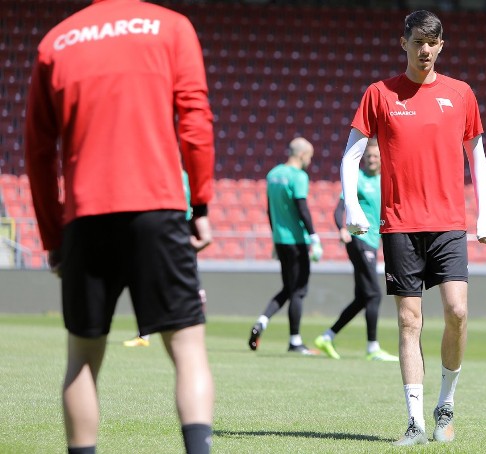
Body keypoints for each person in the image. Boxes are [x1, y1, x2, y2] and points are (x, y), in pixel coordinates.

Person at [24, 0, 216, 452]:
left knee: (82, 359)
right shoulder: (172, 27)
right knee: (188, 351)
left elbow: (36, 151)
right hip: (158, 208)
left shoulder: (56, 41)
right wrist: (202, 203)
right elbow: (195, 121)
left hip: (85, 218)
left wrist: (54, 238)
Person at [340, 10, 486, 446]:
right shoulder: (379, 93)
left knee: (458, 313)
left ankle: (445, 403)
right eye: (418, 42)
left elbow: (477, 157)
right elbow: (351, 155)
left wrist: (484, 214)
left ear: (442, 46)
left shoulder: (461, 93)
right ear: (403, 43)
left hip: (448, 223)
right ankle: (415, 421)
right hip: (399, 224)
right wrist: (353, 206)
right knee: (410, 322)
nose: (425, 50)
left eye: (433, 43)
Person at [313, 139, 398, 362]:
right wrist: (341, 228)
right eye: (368, 157)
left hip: (372, 241)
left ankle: (327, 336)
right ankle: (372, 348)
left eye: (375, 156)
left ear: (381, 159)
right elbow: (340, 208)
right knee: (375, 294)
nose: (371, 160)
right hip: (358, 240)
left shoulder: (385, 180)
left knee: (362, 297)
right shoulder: (357, 179)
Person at [248, 137, 323, 355]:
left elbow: (269, 210)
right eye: (309, 156)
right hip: (297, 241)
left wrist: (274, 238)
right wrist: (314, 237)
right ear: (302, 155)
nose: (310, 161)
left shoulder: (273, 175)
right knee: (299, 292)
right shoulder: (298, 176)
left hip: (280, 241)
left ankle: (262, 321)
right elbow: (302, 208)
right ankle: (295, 341)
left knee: (288, 289)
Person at [124, 170, 204, 348]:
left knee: (170, 281)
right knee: (167, 280)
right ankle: (146, 334)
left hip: (175, 229)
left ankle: (153, 333)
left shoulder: (172, 174)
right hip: (175, 229)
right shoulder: (179, 174)